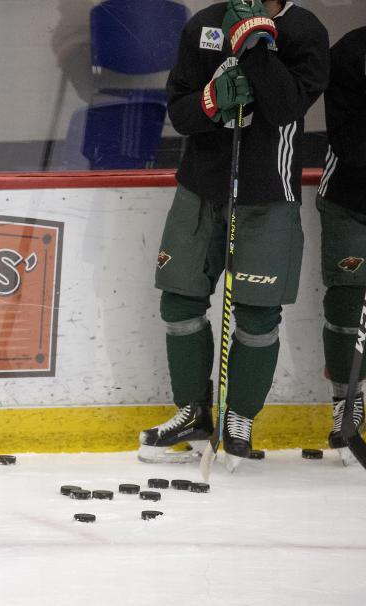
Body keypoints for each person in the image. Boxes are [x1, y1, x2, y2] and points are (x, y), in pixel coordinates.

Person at [139, 0, 328, 470]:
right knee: (179, 301)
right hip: (201, 187)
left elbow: (285, 108)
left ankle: (238, 417)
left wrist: (257, 47)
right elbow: (180, 112)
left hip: (268, 192)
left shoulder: (305, 30)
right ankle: (193, 412)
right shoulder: (204, 23)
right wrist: (210, 101)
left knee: (257, 314)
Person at [316, 26, 366, 465]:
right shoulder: (351, 52)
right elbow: (346, 139)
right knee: (348, 303)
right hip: (349, 197)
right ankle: (345, 405)